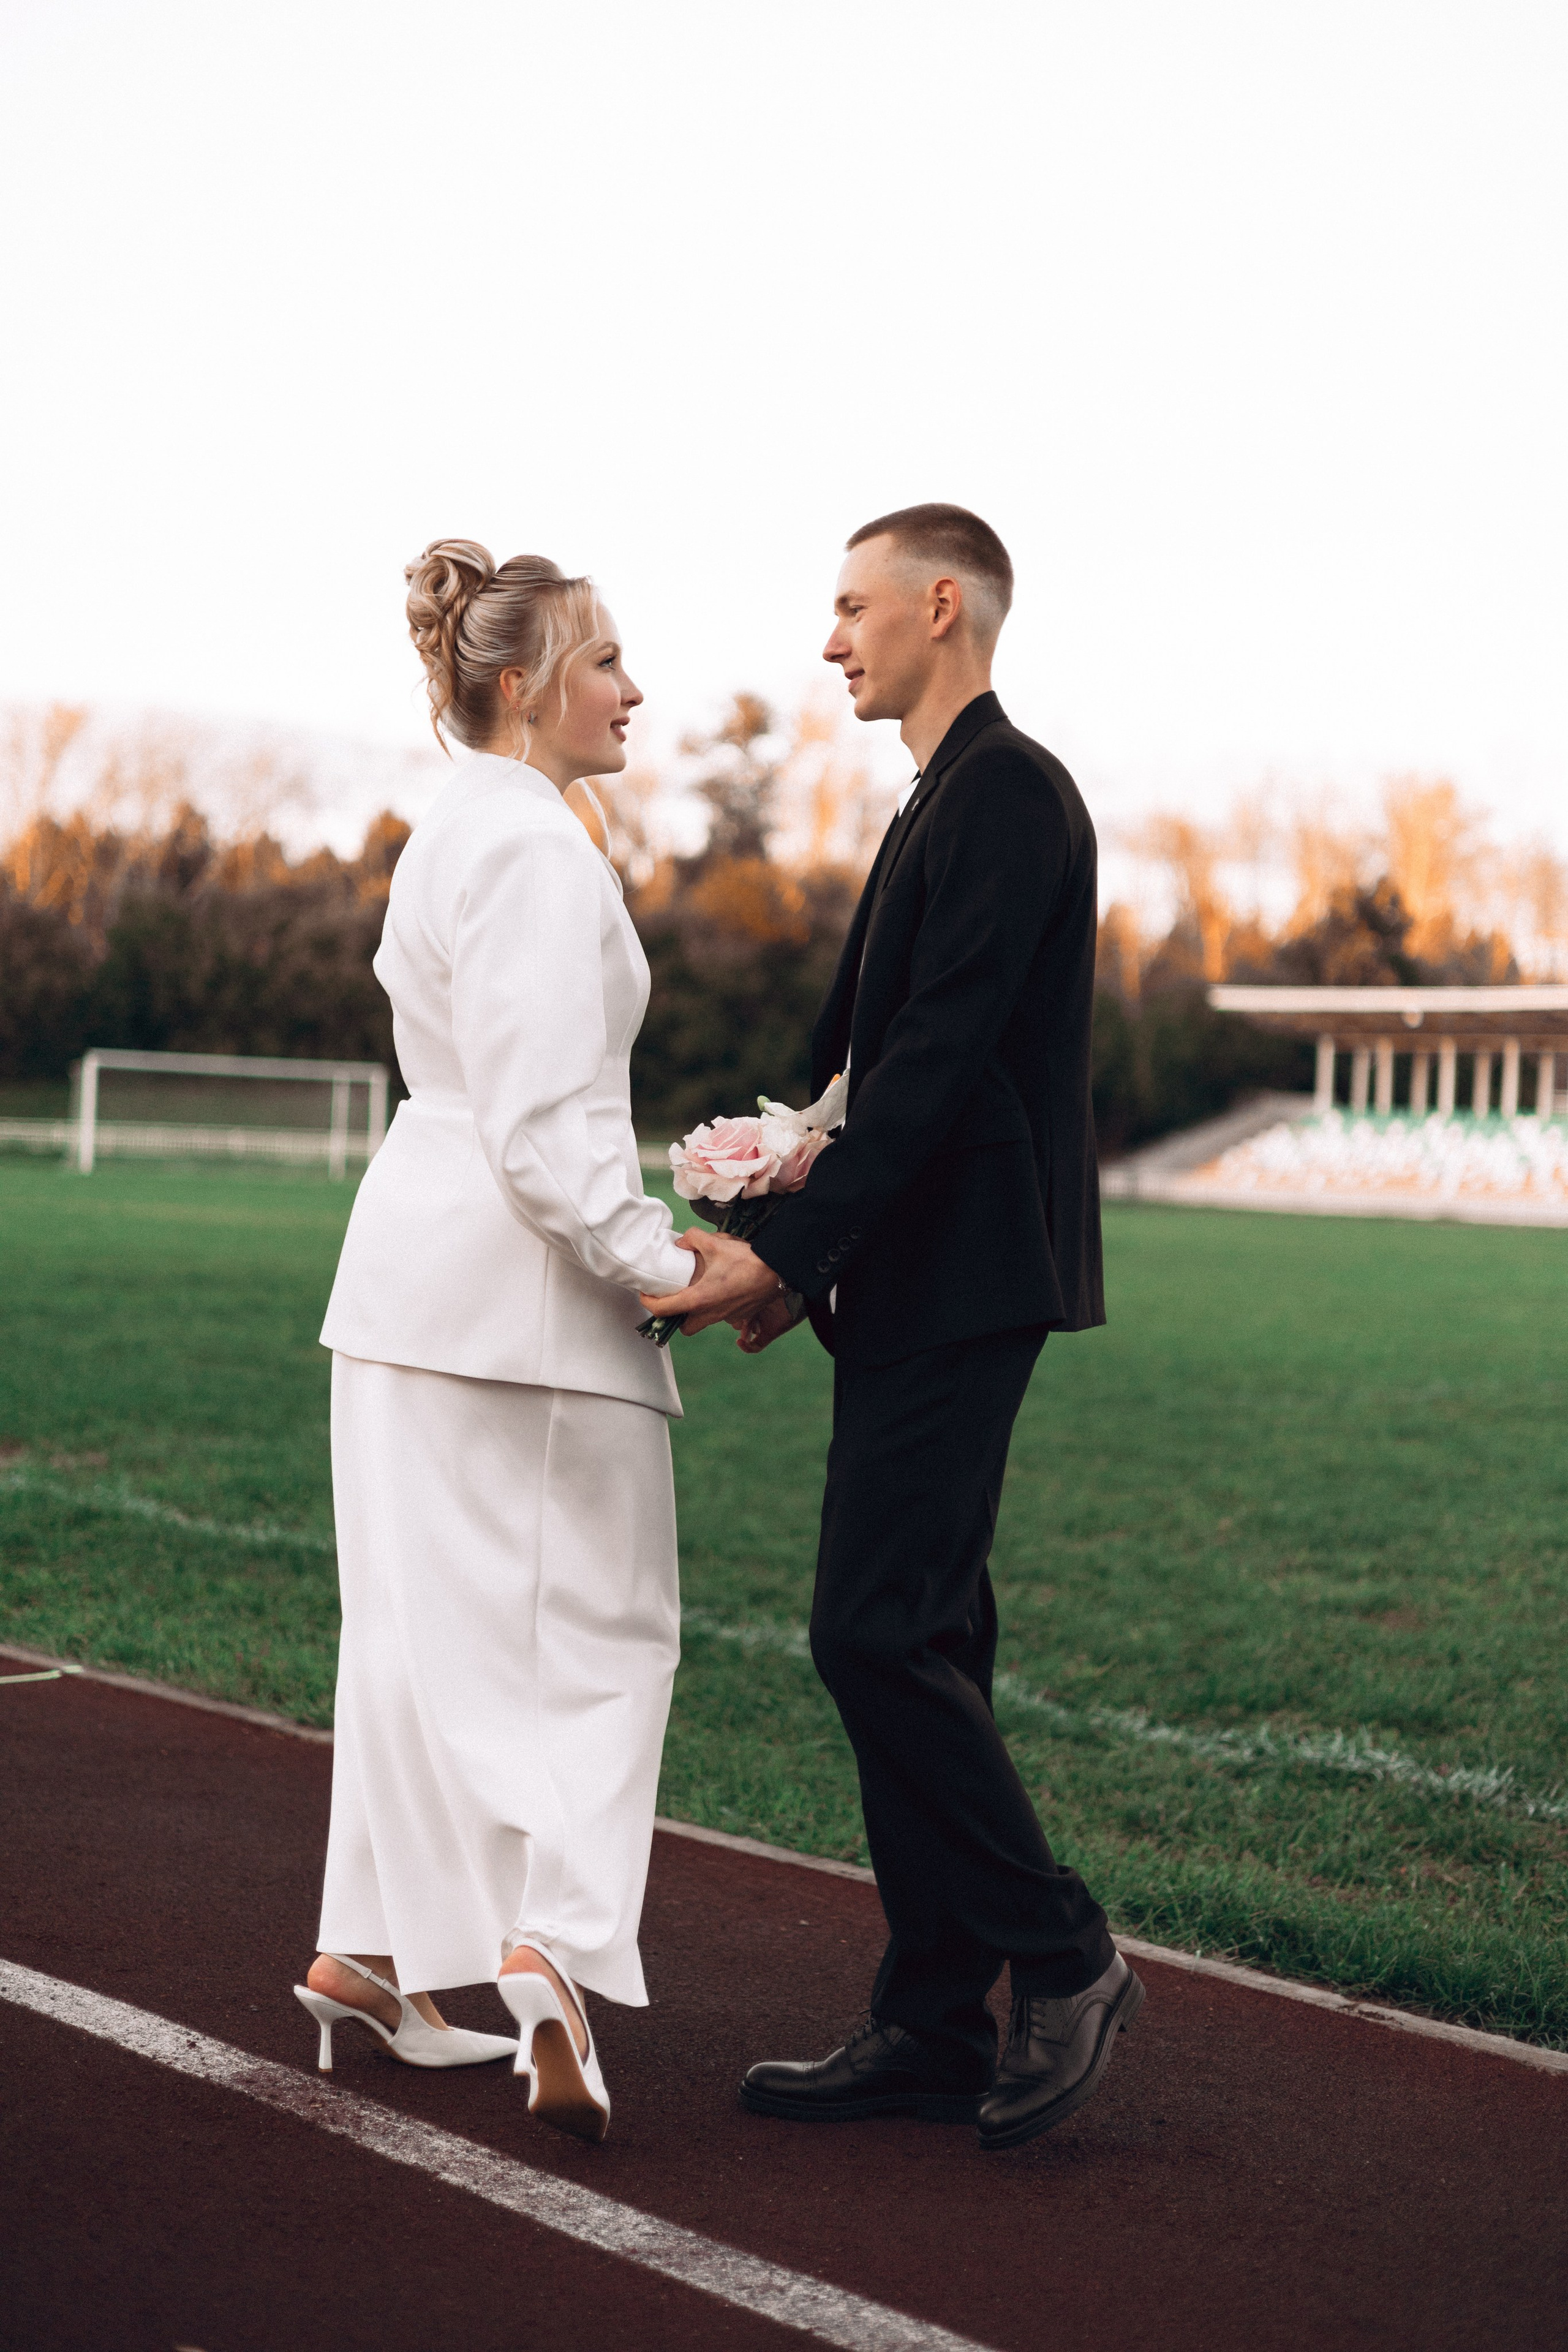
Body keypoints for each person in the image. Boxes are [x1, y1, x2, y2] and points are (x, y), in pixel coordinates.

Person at [641, 503, 1142, 2153]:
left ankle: (1066, 1957)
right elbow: (863, 1062)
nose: (832, 636)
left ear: (945, 606)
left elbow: (928, 1070)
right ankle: (933, 2020)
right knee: (929, 1633)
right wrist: (790, 1245)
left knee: (873, 1632)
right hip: (919, 1277)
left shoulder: (1007, 790)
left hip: (968, 1275)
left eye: (853, 606)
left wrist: (779, 1250)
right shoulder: (945, 795)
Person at [296, 540, 701, 2145]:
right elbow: (545, 1126)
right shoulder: (536, 850)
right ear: (530, 686)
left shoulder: (449, 823)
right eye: (608, 662)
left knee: (405, 1634)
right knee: (612, 1637)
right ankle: (556, 1944)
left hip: (402, 1281)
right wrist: (662, 1260)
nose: (634, 690)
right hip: (516, 1292)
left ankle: (368, 1954)